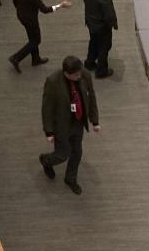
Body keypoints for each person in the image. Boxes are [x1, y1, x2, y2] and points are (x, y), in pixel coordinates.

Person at [39, 56, 100, 195]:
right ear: (67, 74)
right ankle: (46, 160)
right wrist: (49, 131)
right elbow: (47, 108)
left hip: (78, 122)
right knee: (62, 155)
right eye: (76, 75)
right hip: (61, 125)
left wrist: (94, 120)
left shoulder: (84, 75)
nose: (80, 76)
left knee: (77, 152)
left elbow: (91, 97)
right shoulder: (53, 82)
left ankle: (70, 178)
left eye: (80, 72)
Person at [8, 0, 71, 72]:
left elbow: (14, 1)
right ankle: (16, 58)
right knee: (36, 40)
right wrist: (60, 5)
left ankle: (35, 59)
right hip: (30, 19)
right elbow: (44, 9)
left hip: (21, 16)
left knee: (32, 37)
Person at [82, 0, 116, 78]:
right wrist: (113, 24)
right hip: (101, 26)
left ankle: (90, 63)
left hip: (90, 21)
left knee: (93, 42)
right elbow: (109, 14)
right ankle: (101, 71)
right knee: (104, 47)